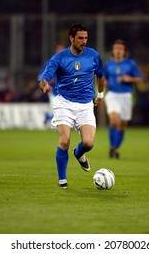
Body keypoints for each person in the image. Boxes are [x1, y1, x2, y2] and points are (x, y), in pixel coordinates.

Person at [38, 23, 104, 188]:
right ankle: (63, 181)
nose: (84, 41)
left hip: (86, 105)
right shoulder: (59, 58)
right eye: (80, 38)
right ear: (71, 38)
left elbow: (100, 76)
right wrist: (45, 85)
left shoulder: (94, 55)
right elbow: (44, 77)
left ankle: (78, 153)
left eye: (86, 38)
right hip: (64, 103)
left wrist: (100, 95)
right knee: (64, 140)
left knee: (88, 143)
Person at [104, 39, 142, 159]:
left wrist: (129, 79)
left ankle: (114, 148)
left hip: (126, 95)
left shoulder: (130, 64)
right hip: (112, 95)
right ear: (113, 51)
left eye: (121, 48)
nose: (118, 50)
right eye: (116, 48)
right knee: (114, 121)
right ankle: (112, 147)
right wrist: (104, 82)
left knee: (123, 125)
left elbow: (139, 78)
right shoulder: (108, 64)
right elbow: (103, 78)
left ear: (125, 51)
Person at [39, 43, 66, 125]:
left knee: (63, 111)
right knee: (57, 110)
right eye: (59, 50)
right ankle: (55, 124)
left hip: (65, 91)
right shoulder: (49, 63)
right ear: (56, 51)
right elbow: (40, 77)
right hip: (53, 90)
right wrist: (47, 81)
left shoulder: (68, 62)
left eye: (63, 50)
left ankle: (49, 117)